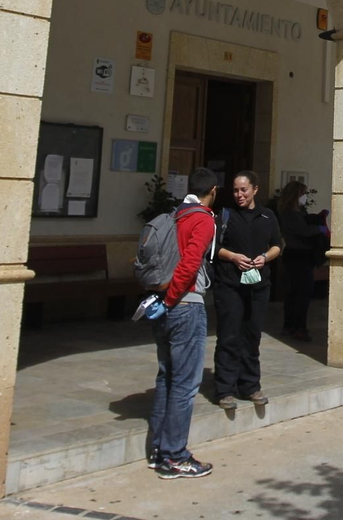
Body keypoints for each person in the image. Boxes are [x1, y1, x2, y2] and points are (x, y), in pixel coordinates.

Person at [147, 166, 219, 479]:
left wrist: (165, 301)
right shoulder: (202, 219)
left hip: (166, 304)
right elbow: (190, 263)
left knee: (167, 377)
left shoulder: (176, 214)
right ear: (213, 191)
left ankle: (158, 450)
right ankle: (175, 456)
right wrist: (173, 298)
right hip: (185, 305)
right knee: (185, 384)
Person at [213, 170, 283, 408]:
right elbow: (213, 248)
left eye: (244, 190)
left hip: (258, 286)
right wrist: (233, 256)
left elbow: (277, 245)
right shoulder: (225, 215)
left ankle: (250, 386)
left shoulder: (267, 215)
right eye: (235, 190)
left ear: (255, 189)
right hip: (229, 286)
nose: (239, 195)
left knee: (252, 336)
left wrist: (265, 257)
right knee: (229, 335)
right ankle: (224, 389)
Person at [275, 180, 329, 342]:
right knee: (300, 294)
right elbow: (303, 230)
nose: (305, 197)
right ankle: (297, 327)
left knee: (297, 293)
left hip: (302, 255)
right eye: (303, 194)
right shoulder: (290, 213)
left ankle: (291, 326)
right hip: (297, 255)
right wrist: (319, 229)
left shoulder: (299, 211)